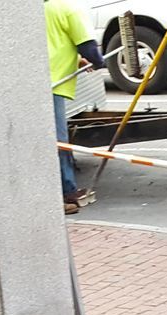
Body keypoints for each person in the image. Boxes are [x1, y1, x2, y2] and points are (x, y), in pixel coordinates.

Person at [44, 0, 104, 215]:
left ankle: (63, 191)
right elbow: (88, 45)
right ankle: (67, 193)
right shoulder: (69, 8)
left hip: (40, 79)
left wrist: (77, 60)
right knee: (59, 142)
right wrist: (99, 62)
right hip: (54, 84)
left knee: (50, 140)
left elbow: (53, 42)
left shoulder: (44, 7)